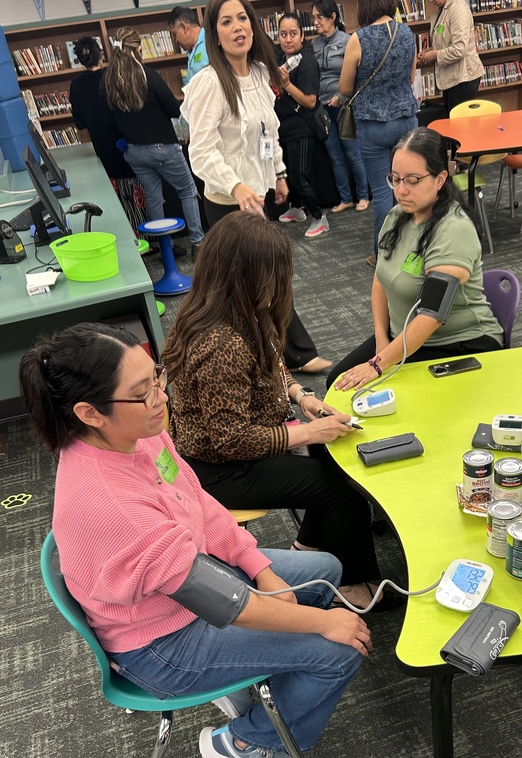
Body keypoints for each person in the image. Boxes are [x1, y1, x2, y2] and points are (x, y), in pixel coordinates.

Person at [19, 323, 370, 758]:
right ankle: (246, 741)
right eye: (142, 392)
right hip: (162, 645)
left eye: (157, 378)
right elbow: (230, 605)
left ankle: (260, 681)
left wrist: (260, 568)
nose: (161, 397)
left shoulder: (139, 435)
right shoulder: (112, 507)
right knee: (338, 649)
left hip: (189, 582)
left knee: (324, 571)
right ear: (90, 412)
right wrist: (324, 624)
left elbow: (198, 502)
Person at [163, 212, 398, 613]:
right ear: (244, 275)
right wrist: (308, 433)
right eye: (273, 274)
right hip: (220, 468)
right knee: (341, 489)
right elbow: (230, 440)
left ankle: (307, 546)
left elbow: (273, 363)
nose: (280, 284)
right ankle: (354, 589)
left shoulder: (238, 313)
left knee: (330, 462)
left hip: (239, 450)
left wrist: (299, 395)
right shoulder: (222, 341)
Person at [182, 0, 331, 373]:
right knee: (258, 283)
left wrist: (279, 174)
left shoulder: (261, 73)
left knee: (259, 281)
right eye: (227, 22)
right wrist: (235, 187)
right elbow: (200, 152)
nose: (238, 28)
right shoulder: (209, 83)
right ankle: (286, 356)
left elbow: (269, 132)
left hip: (258, 195)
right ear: (214, 34)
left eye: (243, 19)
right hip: (228, 202)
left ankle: (275, 358)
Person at [327, 128, 502, 391]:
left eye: (412, 180)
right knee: (336, 383)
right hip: (404, 337)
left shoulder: (453, 230)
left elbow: (430, 315)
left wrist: (378, 365)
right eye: (395, 179)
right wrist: (380, 341)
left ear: (440, 179)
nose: (401, 190)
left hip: (458, 345)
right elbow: (381, 281)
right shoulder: (397, 216)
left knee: (367, 393)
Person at [102, 26, 204, 259]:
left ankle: (166, 248)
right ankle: (198, 243)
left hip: (134, 152)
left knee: (154, 199)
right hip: (163, 148)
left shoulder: (109, 82)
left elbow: (110, 120)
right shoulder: (150, 76)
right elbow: (173, 109)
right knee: (187, 191)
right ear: (139, 50)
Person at [339, 0, 418, 261]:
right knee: (408, 188)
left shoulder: (358, 39)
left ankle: (383, 254)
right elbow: (410, 79)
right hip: (407, 120)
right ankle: (411, 248)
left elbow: (345, 88)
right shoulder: (407, 33)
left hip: (373, 125)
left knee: (384, 192)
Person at [68, 36, 147, 235]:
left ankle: (129, 236)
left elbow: (80, 124)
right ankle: (145, 237)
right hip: (125, 143)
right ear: (101, 55)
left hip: (102, 149)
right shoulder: (113, 76)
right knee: (135, 191)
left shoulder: (76, 86)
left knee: (117, 196)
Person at [311, 0, 370, 215]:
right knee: (334, 155)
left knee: (352, 153)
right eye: (314, 17)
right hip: (322, 107)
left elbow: (355, 75)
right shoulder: (315, 45)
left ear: (333, 17)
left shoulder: (348, 41)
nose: (315, 22)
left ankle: (362, 196)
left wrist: (339, 96)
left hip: (344, 105)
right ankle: (345, 198)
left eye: (319, 17)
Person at [274, 12, 329, 239]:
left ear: (302, 35)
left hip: (302, 128)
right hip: (284, 127)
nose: (288, 39)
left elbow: (310, 101)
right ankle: (297, 208)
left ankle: (319, 217)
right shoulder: (279, 58)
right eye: (283, 34)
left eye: (293, 34)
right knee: (288, 170)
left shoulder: (307, 61)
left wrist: (286, 85)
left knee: (300, 176)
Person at [416, 0, 484, 114]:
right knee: (451, 122)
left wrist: (435, 55)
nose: (431, 0)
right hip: (452, 78)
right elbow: (445, 43)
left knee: (458, 125)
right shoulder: (442, 10)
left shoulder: (458, 9)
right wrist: (429, 51)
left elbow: (459, 49)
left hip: (464, 79)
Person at [167, 5, 209, 82]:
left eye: (175, 34)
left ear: (184, 27)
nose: (176, 40)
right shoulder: (192, 49)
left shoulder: (210, 42)